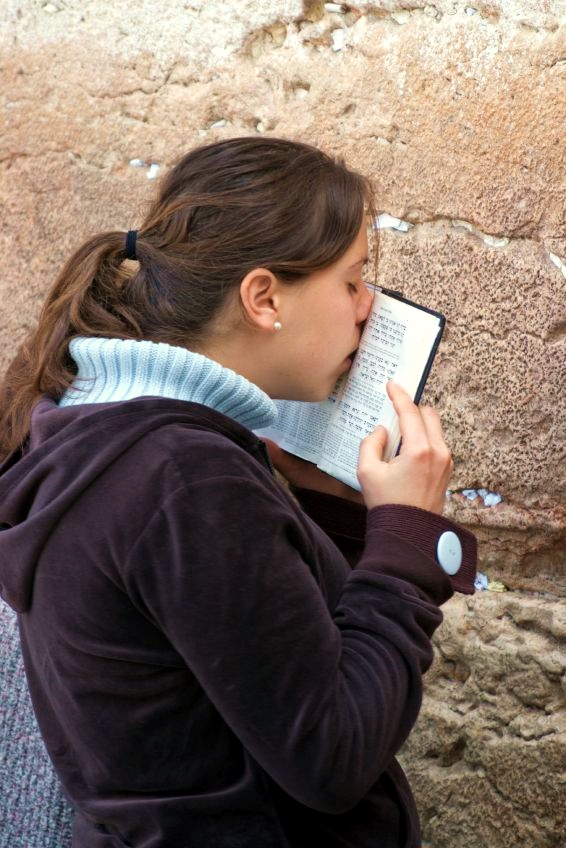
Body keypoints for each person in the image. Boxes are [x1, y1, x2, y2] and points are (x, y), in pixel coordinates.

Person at [0, 136, 476, 848]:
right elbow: (331, 757)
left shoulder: (96, 424)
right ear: (263, 297)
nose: (367, 308)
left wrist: (307, 491)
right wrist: (407, 539)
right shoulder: (187, 479)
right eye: (351, 282)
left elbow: (245, 648)